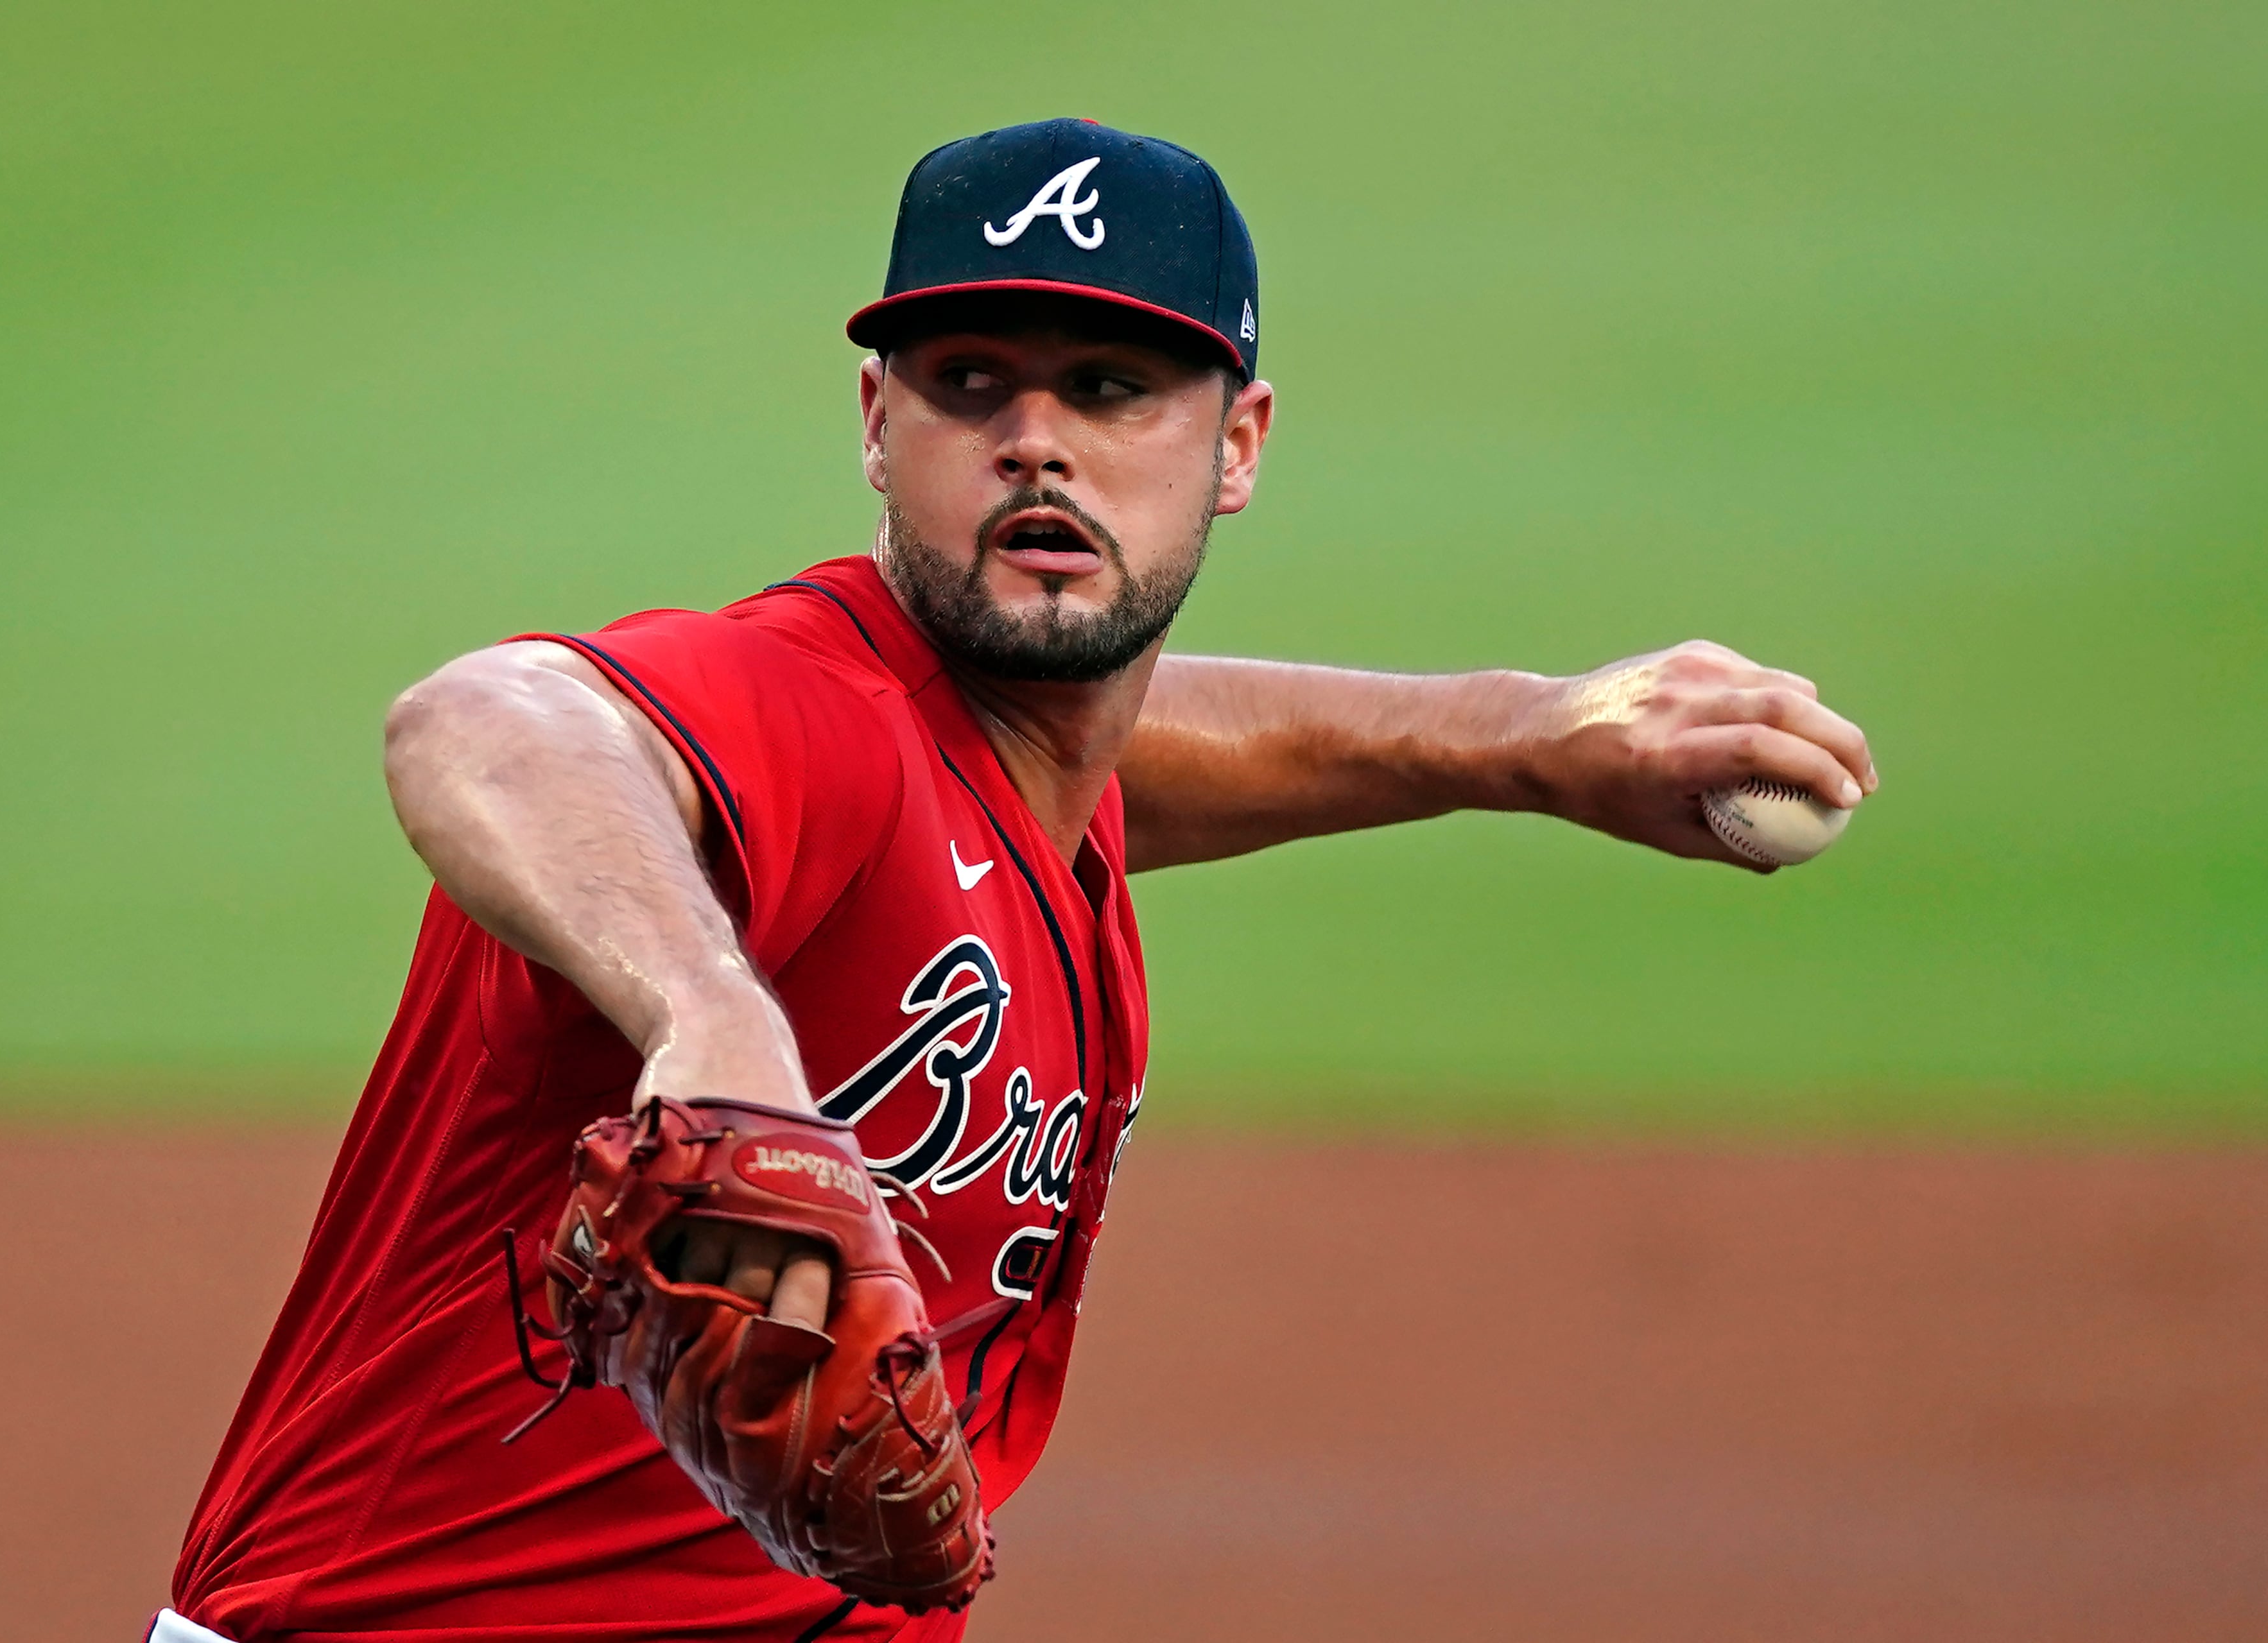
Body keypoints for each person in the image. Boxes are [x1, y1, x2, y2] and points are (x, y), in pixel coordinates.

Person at [159, 117, 1875, 1643]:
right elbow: (495, 718)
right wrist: (711, 1018)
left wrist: (1515, 735)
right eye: (971, 382)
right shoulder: (810, 717)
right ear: (875, 423)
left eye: (1114, 391)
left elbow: (1142, 748)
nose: (1037, 440)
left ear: (1241, 445)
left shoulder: (1045, 769)